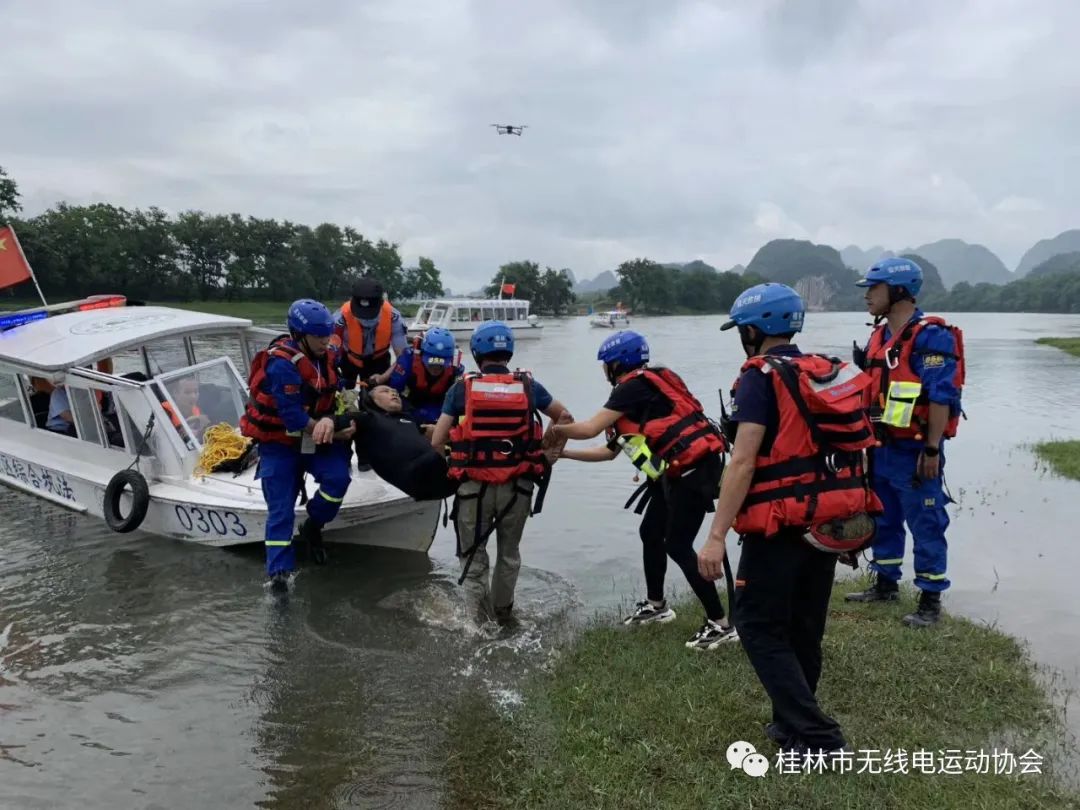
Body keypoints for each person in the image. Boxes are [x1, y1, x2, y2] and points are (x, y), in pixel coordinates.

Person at [698, 282, 880, 757]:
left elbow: (742, 461)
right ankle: (791, 730)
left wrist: (716, 535)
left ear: (756, 330)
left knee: (758, 626)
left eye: (743, 329)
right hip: (826, 521)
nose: (742, 337)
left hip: (779, 523)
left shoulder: (760, 377)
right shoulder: (822, 370)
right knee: (803, 627)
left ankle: (820, 736)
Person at [554, 330, 736, 650]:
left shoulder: (632, 386)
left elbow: (588, 429)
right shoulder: (646, 386)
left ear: (616, 364)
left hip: (694, 470)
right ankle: (657, 606)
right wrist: (564, 454)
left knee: (678, 545)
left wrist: (554, 430)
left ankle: (720, 623)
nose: (604, 372)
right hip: (682, 470)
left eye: (605, 365)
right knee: (651, 531)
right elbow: (608, 451)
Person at [844, 257, 965, 628]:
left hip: (915, 449)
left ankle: (930, 600)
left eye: (873, 289)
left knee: (926, 520)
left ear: (898, 292)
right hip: (880, 446)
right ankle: (885, 584)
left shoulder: (931, 335)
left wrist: (931, 449)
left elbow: (942, 396)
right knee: (884, 516)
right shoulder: (877, 337)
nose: (867, 296)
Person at [429, 321, 570, 623]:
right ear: (509, 351)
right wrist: (548, 456)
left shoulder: (461, 387)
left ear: (477, 352)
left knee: (472, 554)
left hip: (473, 488)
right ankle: (504, 613)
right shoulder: (529, 386)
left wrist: (450, 471)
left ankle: (475, 621)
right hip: (518, 487)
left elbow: (438, 440)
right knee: (509, 553)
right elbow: (564, 417)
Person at [240, 299, 356, 592]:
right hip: (280, 443)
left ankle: (313, 525)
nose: (325, 341)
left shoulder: (328, 356)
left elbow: (337, 395)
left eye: (327, 334)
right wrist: (329, 429)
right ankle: (279, 576)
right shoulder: (282, 365)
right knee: (280, 510)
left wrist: (334, 419)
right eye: (318, 336)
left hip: (318, 438)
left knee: (338, 479)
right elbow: (292, 417)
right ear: (299, 335)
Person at [375, 327, 464, 427]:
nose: (436, 369)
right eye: (432, 364)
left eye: (440, 365)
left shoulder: (455, 369)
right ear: (422, 355)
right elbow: (395, 390)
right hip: (411, 404)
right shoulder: (408, 361)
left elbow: (456, 402)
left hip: (440, 408)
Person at [332, 276, 408, 389]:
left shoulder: (394, 318)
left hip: (379, 361)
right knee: (341, 393)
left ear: (381, 303)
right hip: (348, 359)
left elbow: (403, 357)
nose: (365, 319)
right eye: (361, 314)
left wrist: (384, 377)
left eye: (370, 314)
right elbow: (329, 350)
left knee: (376, 395)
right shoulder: (340, 317)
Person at [162, 376, 211, 441]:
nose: (193, 397)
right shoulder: (164, 411)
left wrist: (203, 430)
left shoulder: (198, 410)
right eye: (187, 392)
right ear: (175, 393)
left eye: (196, 392)